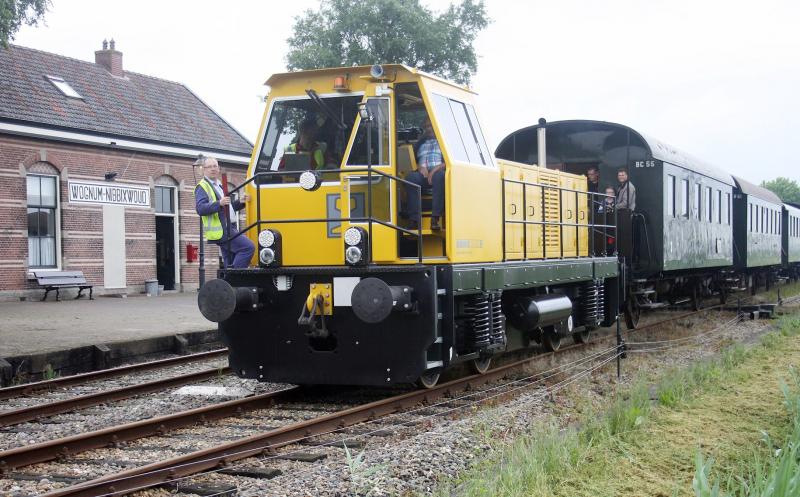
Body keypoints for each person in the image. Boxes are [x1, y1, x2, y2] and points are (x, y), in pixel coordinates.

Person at [194, 157, 255, 269]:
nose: (213, 169)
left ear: (219, 168)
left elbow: (227, 207)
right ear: (204, 170)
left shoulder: (219, 185)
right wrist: (219, 203)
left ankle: (230, 283)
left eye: (215, 166)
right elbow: (200, 208)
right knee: (248, 247)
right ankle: (236, 278)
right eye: (209, 167)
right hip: (223, 230)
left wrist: (240, 202)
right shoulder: (202, 186)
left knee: (230, 261)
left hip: (229, 227)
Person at [404, 118, 445, 230]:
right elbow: (410, 159)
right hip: (423, 175)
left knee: (440, 177)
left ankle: (435, 218)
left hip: (439, 173)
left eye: (430, 126)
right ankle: (414, 220)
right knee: (411, 178)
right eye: (426, 126)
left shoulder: (444, 141)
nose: (428, 129)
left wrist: (435, 169)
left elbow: (450, 161)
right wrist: (419, 167)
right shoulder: (420, 143)